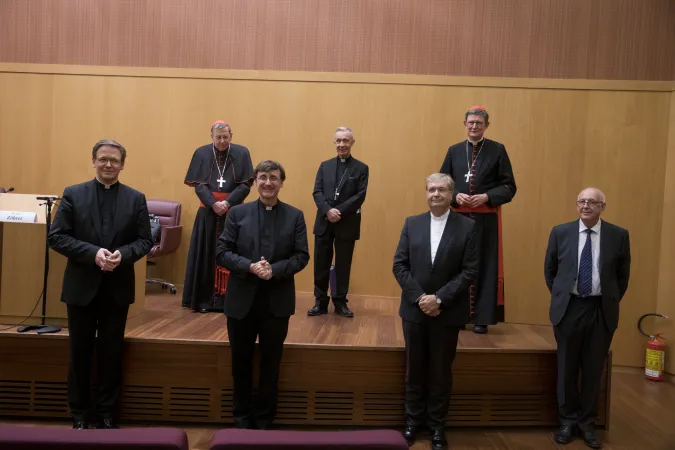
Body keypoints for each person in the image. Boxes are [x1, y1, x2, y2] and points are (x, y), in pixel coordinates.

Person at [48, 139, 154, 429]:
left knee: (111, 353)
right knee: (79, 352)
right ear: (94, 161)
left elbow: (145, 240)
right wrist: (93, 254)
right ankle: (79, 413)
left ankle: (107, 412)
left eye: (114, 160)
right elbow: (56, 237)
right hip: (81, 287)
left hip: (116, 288)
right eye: (103, 159)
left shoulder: (135, 198)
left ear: (122, 165)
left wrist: (123, 255)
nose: (108, 164)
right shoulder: (73, 194)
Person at [216, 160, 309, 430]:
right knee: (240, 362)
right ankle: (242, 419)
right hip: (241, 302)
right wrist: (250, 267)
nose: (268, 183)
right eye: (263, 177)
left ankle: (265, 420)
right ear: (255, 182)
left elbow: (301, 256)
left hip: (276, 302)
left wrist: (274, 270)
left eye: (274, 178)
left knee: (271, 364)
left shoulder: (295, 216)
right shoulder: (237, 213)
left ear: (281, 183)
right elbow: (222, 252)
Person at [393, 173, 478, 450]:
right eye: (431, 189)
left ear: (451, 194)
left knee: (441, 371)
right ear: (426, 193)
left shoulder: (467, 227)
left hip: (447, 312)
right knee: (414, 369)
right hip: (415, 310)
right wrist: (421, 298)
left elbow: (470, 271)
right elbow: (400, 265)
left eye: (442, 189)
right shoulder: (412, 223)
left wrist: (439, 299)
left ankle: (437, 425)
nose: (436, 194)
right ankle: (412, 421)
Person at [544, 187, 630, 449]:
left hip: (600, 310)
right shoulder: (560, 232)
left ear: (602, 207)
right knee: (567, 368)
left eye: (592, 202)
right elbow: (550, 271)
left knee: (594, 370)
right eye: (581, 201)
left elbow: (622, 277)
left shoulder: (618, 235)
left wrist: (607, 299)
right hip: (569, 308)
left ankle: (587, 423)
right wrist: (563, 296)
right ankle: (567, 421)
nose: (585, 206)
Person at [439, 105, 516, 334]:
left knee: (484, 266)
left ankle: (481, 318)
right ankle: (457, 315)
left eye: (479, 123)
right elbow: (442, 182)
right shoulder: (454, 150)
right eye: (471, 122)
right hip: (458, 219)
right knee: (455, 266)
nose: (474, 126)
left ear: (486, 126)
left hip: (485, 221)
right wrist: (455, 196)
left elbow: (509, 186)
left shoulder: (497, 150)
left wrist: (487, 197)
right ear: (465, 124)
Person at [183, 121, 254, 312]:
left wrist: (227, 203)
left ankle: (232, 299)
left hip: (234, 213)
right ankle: (204, 301)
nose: (222, 141)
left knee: (234, 254)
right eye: (218, 137)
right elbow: (199, 184)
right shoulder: (201, 153)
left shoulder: (242, 153)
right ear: (211, 137)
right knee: (206, 256)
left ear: (231, 136)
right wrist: (213, 204)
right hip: (208, 212)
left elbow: (245, 184)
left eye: (225, 137)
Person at [308, 127, 369, 318]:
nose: (342, 144)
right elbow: (317, 192)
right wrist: (328, 210)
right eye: (338, 141)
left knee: (343, 264)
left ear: (352, 143)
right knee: (321, 264)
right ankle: (320, 301)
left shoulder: (361, 168)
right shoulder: (324, 166)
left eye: (345, 141)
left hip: (346, 223)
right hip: (324, 222)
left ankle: (340, 301)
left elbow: (360, 196)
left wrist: (338, 211)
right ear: (334, 142)